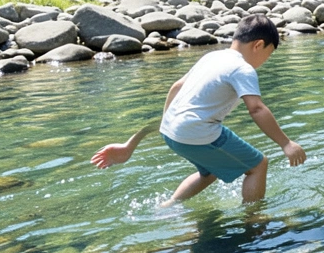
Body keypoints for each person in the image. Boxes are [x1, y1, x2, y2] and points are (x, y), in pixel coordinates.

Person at [90, 14, 307, 205]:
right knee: (258, 165)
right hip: (198, 132)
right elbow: (257, 109)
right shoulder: (243, 69)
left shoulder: (212, 56)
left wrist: (142, 138)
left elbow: (176, 86)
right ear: (258, 45)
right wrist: (286, 143)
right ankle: (254, 224)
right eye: (268, 55)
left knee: (211, 169)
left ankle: (169, 207)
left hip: (172, 132)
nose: (264, 62)